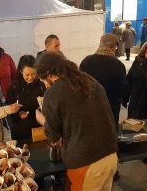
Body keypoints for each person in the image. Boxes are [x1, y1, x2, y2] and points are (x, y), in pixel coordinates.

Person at [36, 52, 118, 191]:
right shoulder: (89, 80)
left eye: (42, 80)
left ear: (49, 74)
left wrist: (43, 120)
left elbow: (53, 137)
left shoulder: (53, 93)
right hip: (111, 156)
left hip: (86, 163)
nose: (44, 85)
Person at [80, 34, 127, 125]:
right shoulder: (118, 65)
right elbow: (123, 89)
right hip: (110, 108)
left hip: (88, 106)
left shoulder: (86, 61)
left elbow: (79, 84)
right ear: (115, 47)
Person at [6, 55, 46, 140]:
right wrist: (18, 114)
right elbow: (8, 108)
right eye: (27, 74)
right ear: (21, 71)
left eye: (33, 74)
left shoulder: (41, 85)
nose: (30, 77)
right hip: (21, 130)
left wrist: (41, 109)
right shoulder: (14, 87)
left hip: (39, 128)